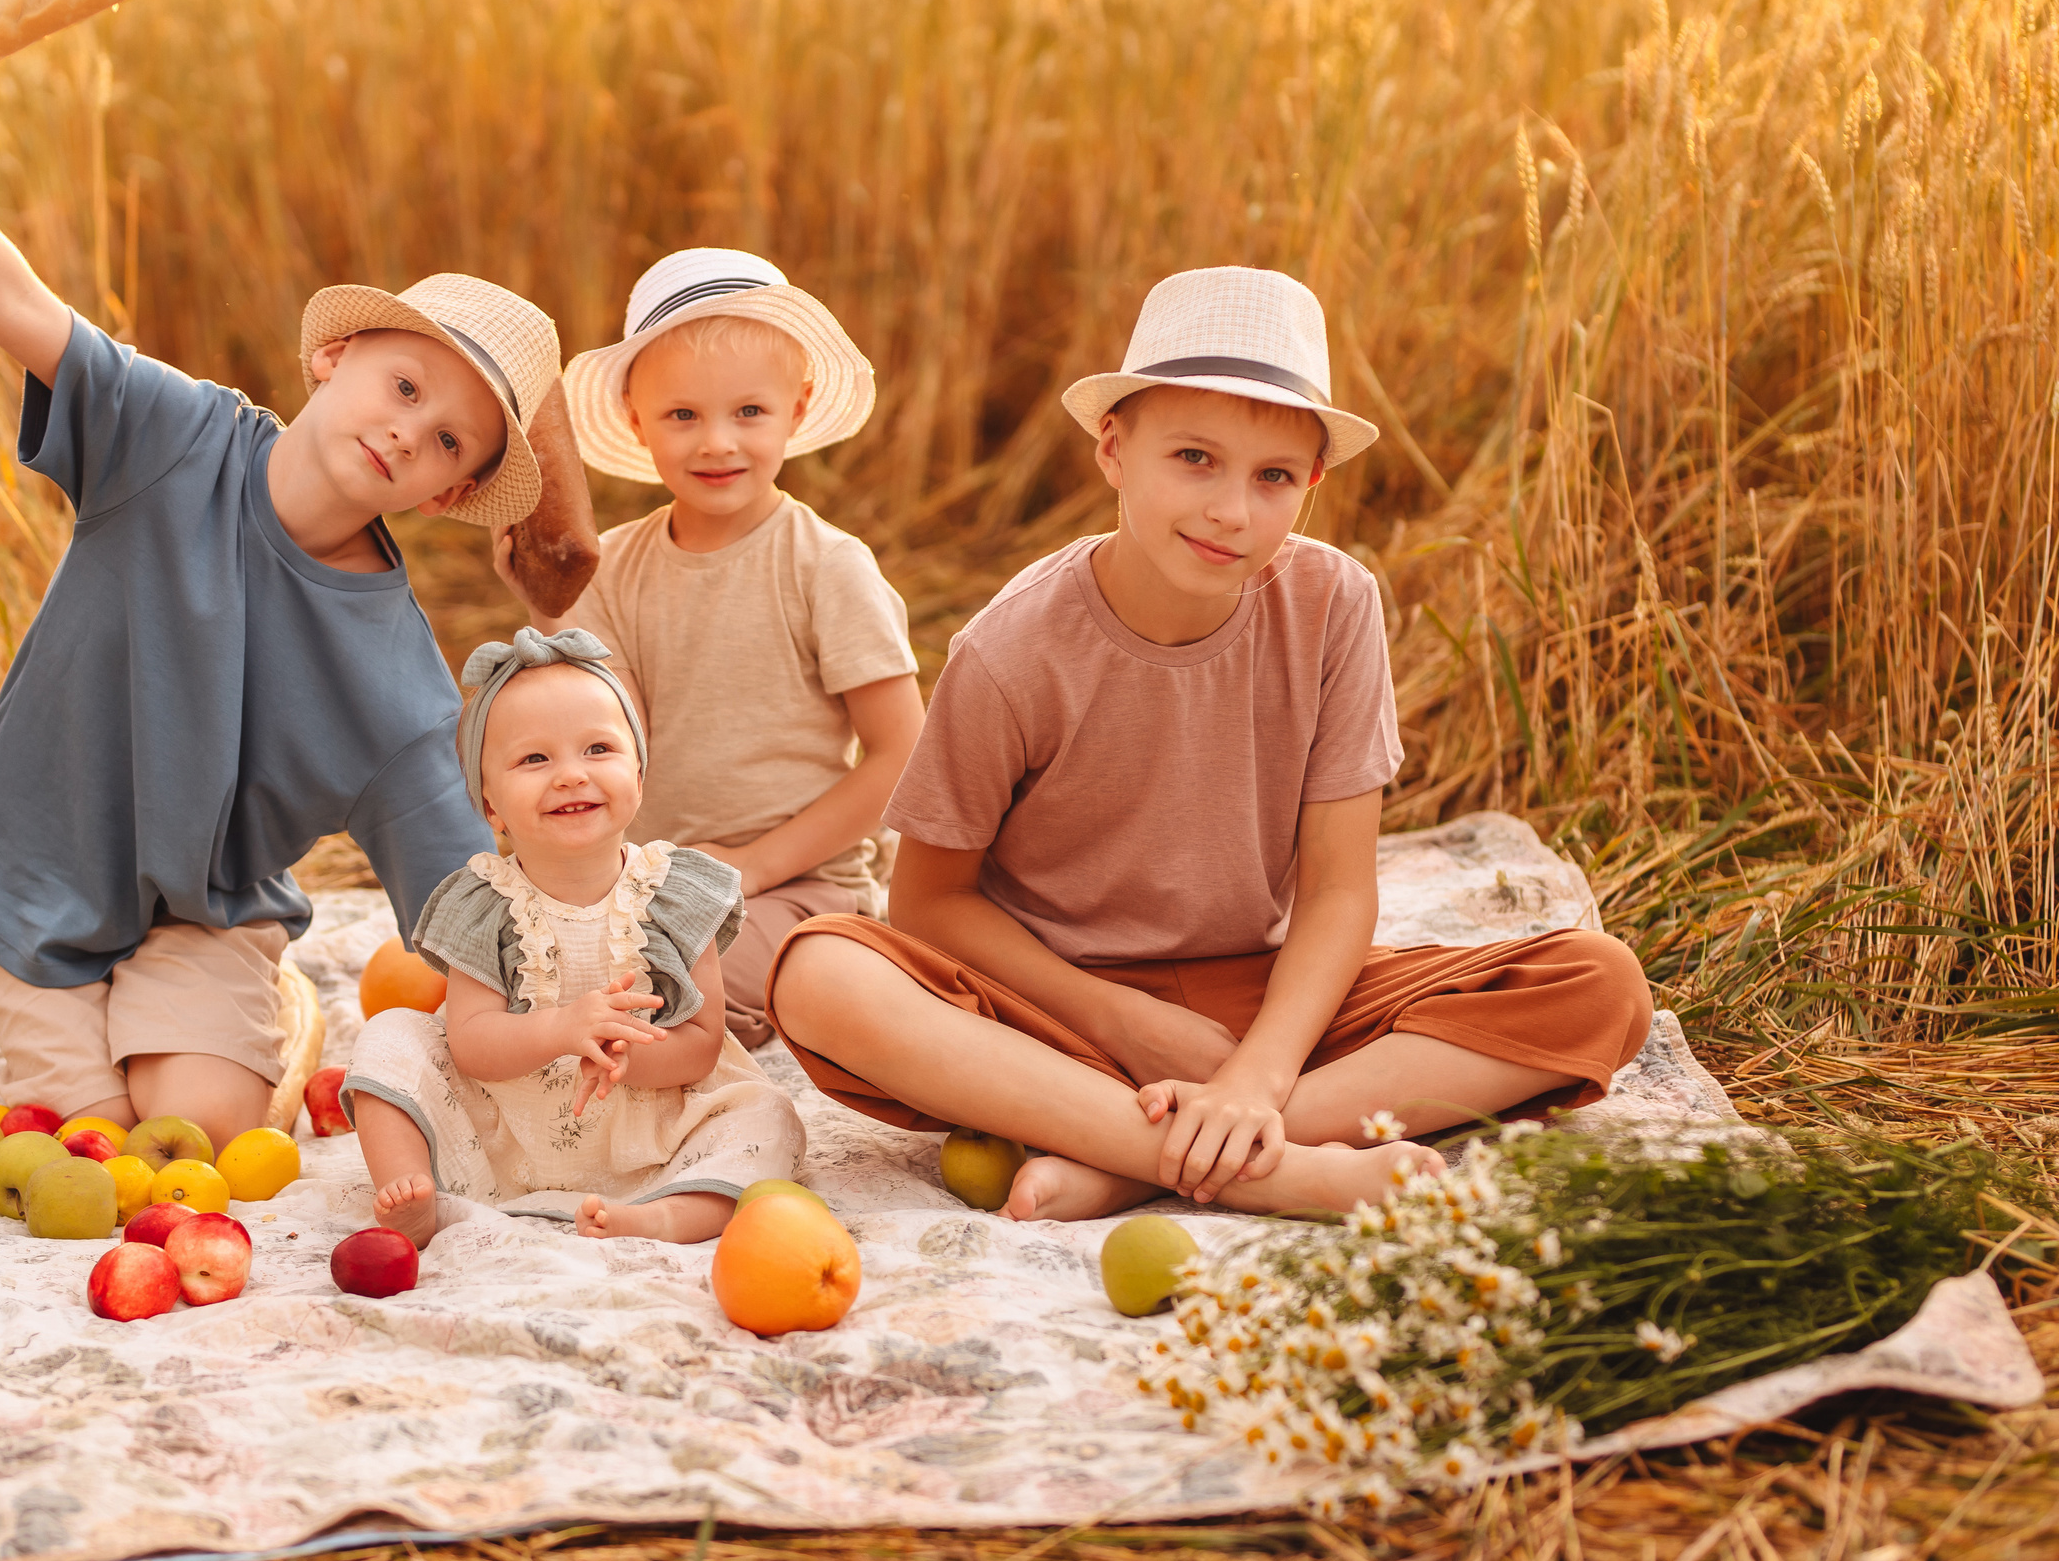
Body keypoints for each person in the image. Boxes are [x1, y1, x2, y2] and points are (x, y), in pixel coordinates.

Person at [765, 267, 1655, 1221]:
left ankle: (1146, 1154)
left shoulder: (1335, 605)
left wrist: (1258, 1072)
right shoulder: (1009, 648)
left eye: (1273, 476)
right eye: (1195, 458)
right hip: (1055, 1013)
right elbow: (930, 901)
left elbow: (1341, 889)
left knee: (1602, 984)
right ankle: (1284, 1166)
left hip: (1266, 996)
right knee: (819, 973)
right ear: (1114, 448)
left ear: (1311, 484)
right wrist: (1124, 1019)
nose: (1233, 510)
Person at [0, 20, 557, 1151]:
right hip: (34, 867)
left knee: (195, 1135)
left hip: (202, 916)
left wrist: (573, 1012)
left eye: (449, 441)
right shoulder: (172, 440)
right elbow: (16, 308)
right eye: (403, 385)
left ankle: (264, 1012)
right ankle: (120, 1029)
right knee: (93, 1140)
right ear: (334, 356)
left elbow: (458, 892)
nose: (408, 433)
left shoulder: (396, 684)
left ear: (451, 495)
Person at [501, 249, 925, 1048]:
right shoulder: (613, 566)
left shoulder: (824, 564)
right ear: (637, 420)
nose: (717, 443)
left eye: (749, 413)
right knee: (518, 975)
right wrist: (550, 610)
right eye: (683, 416)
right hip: (644, 884)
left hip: (797, 885)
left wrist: (756, 865)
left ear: (795, 411)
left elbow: (901, 755)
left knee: (676, 993)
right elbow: (613, 739)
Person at [345, 630, 805, 1247]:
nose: (570, 776)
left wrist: (628, 1055)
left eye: (597, 749)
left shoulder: (674, 892)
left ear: (638, 776)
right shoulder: (484, 902)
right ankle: (414, 1194)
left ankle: (666, 1215)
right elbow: (472, 1042)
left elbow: (702, 1042)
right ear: (490, 805)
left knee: (767, 1116)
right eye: (534, 759)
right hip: (506, 1124)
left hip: (651, 1122)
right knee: (389, 1036)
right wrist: (561, 1030)